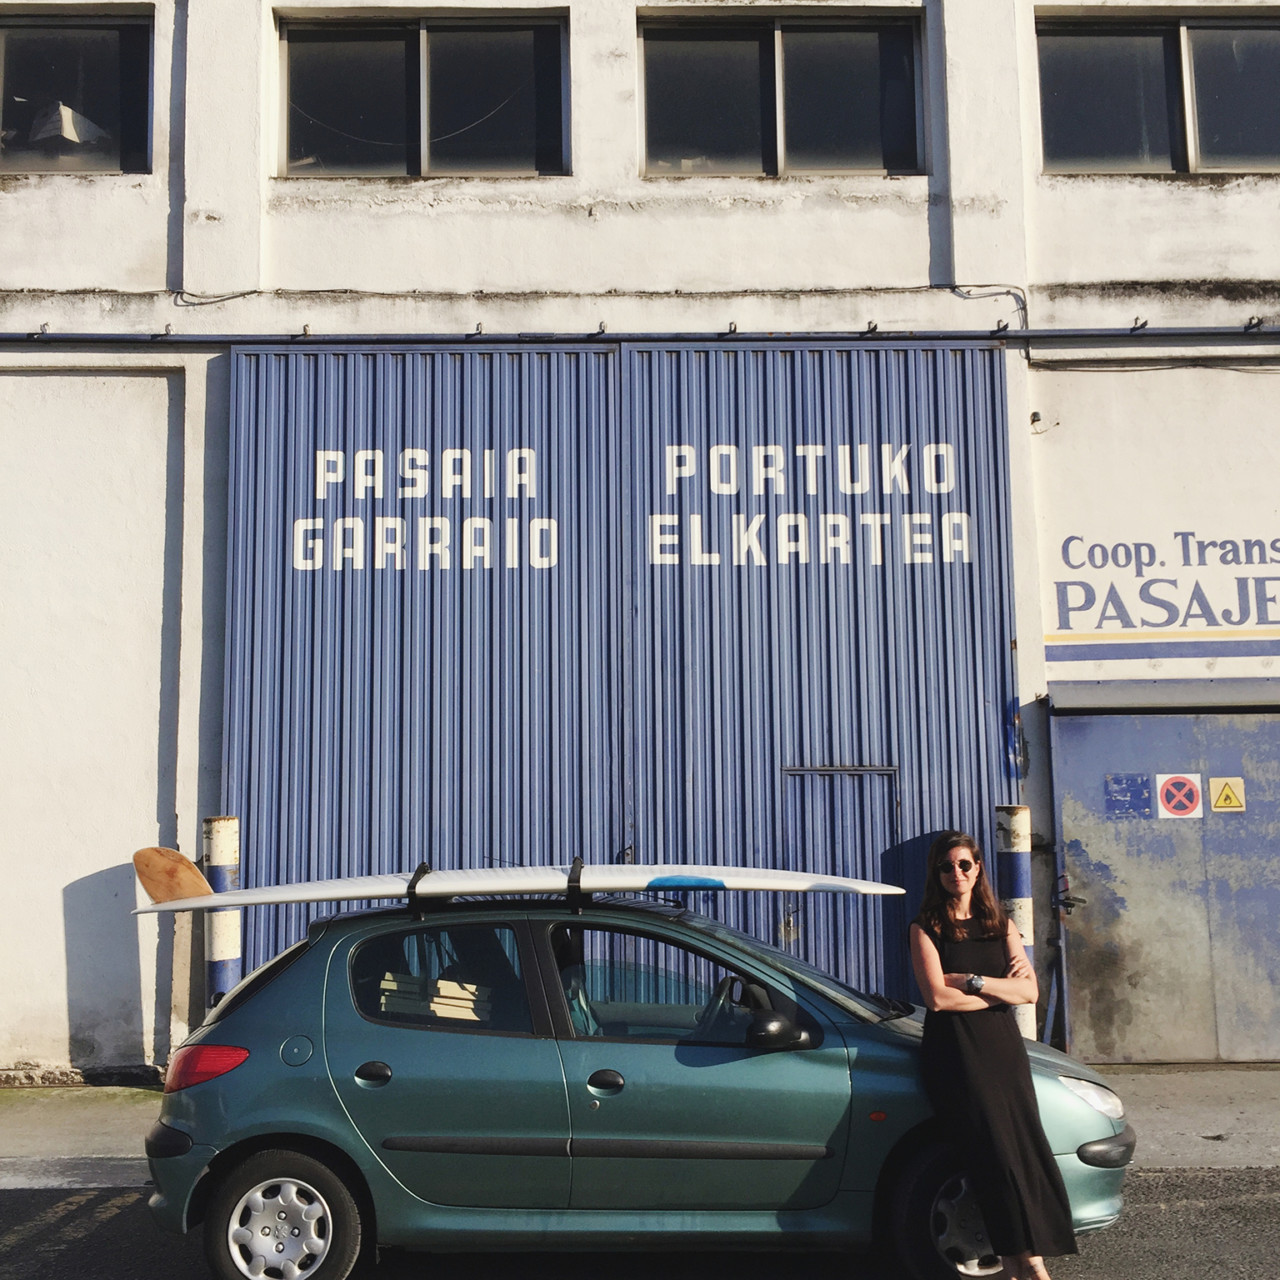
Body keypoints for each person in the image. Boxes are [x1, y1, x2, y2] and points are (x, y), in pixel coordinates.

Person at [908, 831, 1076, 1280]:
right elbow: (937, 999)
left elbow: (1030, 992)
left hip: (1003, 1052)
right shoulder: (926, 927)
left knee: (1024, 1153)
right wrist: (1000, 991)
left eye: (964, 864)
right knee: (993, 1157)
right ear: (936, 873)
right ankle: (1024, 1262)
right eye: (947, 866)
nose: (956, 873)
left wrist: (974, 982)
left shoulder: (1000, 925)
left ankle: (1027, 1260)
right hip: (957, 1054)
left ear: (978, 868)